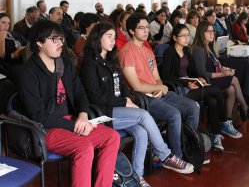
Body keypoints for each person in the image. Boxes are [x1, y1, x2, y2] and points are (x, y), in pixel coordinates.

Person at [80, 23, 194, 184]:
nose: (113, 41)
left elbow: (123, 87)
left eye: (114, 37)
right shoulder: (89, 64)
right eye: (109, 37)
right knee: (144, 115)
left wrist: (129, 99)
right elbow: (95, 97)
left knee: (141, 132)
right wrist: (124, 102)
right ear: (97, 39)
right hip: (102, 114)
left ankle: (137, 177)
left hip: (118, 110)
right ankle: (166, 155)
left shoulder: (111, 60)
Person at [15, 19, 120, 187]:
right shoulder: (28, 73)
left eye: (61, 39)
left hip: (71, 120)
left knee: (112, 137)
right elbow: (38, 115)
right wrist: (74, 125)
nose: (60, 44)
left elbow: (80, 93)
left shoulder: (64, 65)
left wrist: (83, 115)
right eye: (53, 39)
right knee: (84, 147)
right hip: (45, 129)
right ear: (39, 43)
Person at [119, 13, 200, 159]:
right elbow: (136, 86)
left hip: (157, 93)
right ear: (131, 31)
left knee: (193, 106)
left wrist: (160, 87)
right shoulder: (126, 52)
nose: (146, 31)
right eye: (141, 28)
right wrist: (158, 88)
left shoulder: (148, 50)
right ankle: (177, 156)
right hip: (141, 98)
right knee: (174, 114)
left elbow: (156, 77)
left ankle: (188, 146)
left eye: (147, 27)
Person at [160, 24, 231, 150]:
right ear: (175, 38)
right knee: (216, 91)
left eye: (188, 35)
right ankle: (224, 121)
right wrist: (185, 83)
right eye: (183, 36)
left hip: (191, 85)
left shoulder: (186, 51)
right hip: (179, 89)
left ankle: (216, 135)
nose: (187, 38)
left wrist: (199, 78)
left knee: (213, 101)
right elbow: (166, 76)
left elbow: (193, 71)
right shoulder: (169, 52)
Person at [190, 20, 249, 134]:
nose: (211, 34)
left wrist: (224, 68)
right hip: (206, 81)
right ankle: (244, 107)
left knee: (232, 89)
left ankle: (227, 120)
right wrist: (222, 74)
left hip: (214, 78)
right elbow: (202, 73)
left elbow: (215, 64)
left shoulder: (209, 46)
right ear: (201, 33)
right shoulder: (199, 49)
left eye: (212, 31)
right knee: (234, 79)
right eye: (208, 31)